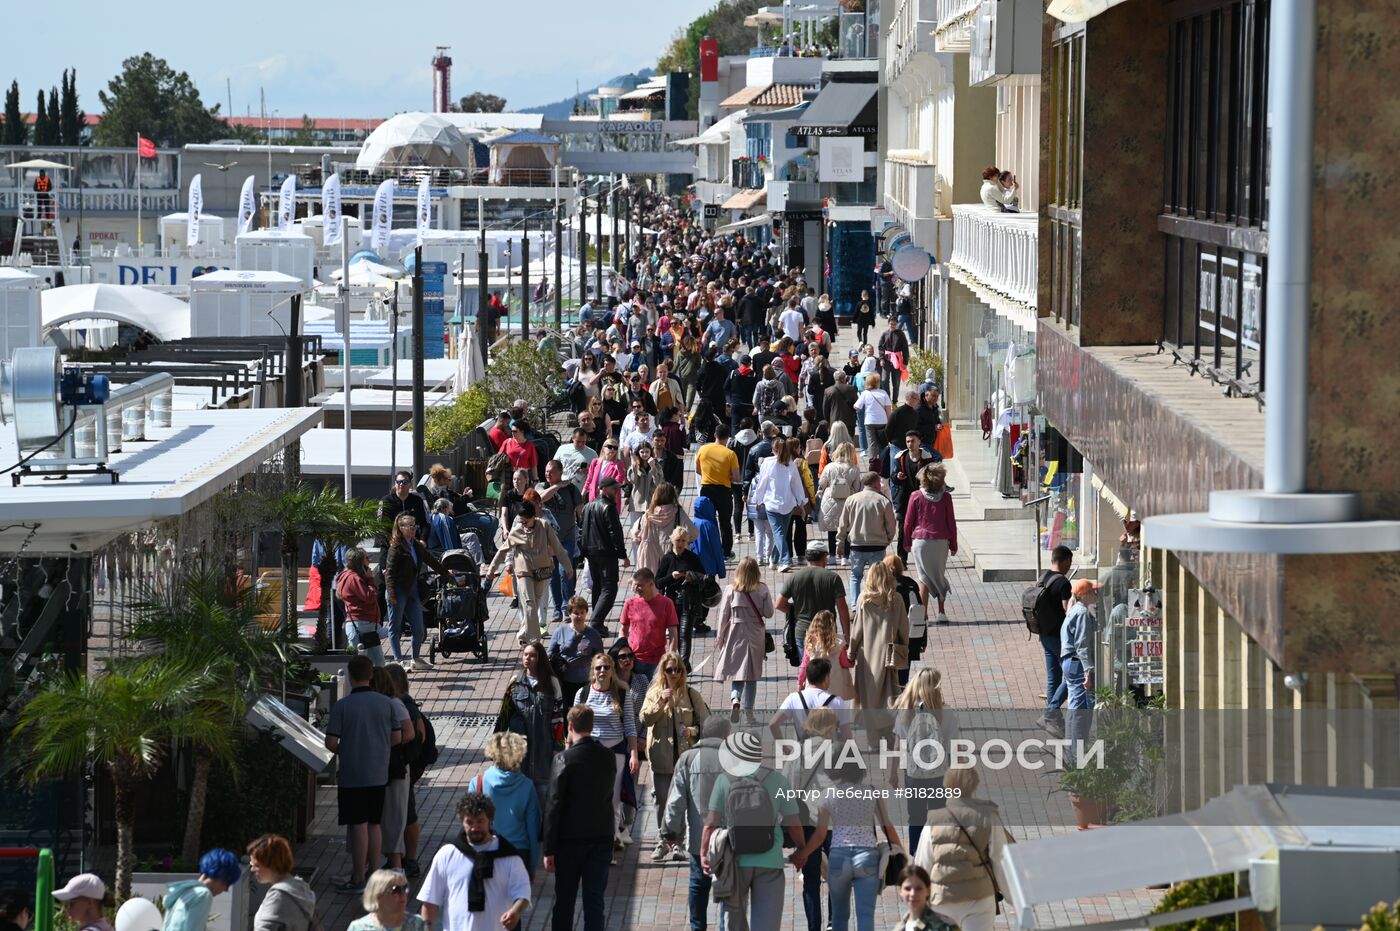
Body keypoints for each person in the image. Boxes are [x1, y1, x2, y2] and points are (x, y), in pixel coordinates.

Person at [701, 733, 806, 931]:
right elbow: (793, 821)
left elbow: (711, 823)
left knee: (733, 924)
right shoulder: (778, 780)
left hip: (734, 862)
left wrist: (704, 853)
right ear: (760, 754)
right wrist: (801, 849)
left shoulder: (724, 780)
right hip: (770, 861)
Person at [792, 758, 904, 931]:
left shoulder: (828, 795)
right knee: (865, 914)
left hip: (838, 857)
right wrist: (901, 851)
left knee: (839, 915)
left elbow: (820, 835)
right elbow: (887, 827)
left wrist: (803, 853)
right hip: (867, 856)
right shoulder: (871, 792)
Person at [324, 655, 403, 892]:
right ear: (371, 675)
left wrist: (345, 749)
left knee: (357, 824)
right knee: (374, 824)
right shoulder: (386, 703)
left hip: (353, 773)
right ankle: (374, 872)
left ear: (350, 676)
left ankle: (358, 877)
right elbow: (397, 737)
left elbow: (330, 742)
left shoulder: (343, 706)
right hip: (379, 772)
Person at [913, 765, 1014, 931]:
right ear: (974, 785)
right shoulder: (988, 816)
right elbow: (1000, 860)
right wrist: (1012, 897)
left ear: (946, 785)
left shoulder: (934, 819)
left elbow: (923, 862)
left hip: (942, 898)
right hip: (979, 897)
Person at [543, 707, 617, 931]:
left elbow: (553, 805)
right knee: (594, 901)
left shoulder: (564, 760)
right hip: (601, 837)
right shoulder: (608, 756)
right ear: (592, 727)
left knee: (564, 900)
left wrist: (548, 848)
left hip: (569, 841)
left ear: (570, 727)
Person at [419, 793, 532, 931]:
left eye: (480, 821)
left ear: (490, 821)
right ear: (462, 821)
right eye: (469, 822)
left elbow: (523, 893)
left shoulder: (509, 857)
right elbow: (430, 901)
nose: (474, 828)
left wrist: (515, 912)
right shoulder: (446, 855)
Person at [661, 716, 733, 931]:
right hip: (731, 838)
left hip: (698, 837)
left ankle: (697, 927)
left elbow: (675, 801)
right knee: (728, 889)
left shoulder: (688, 758)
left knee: (697, 885)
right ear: (726, 736)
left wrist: (671, 831)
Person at [639, 651, 710, 861]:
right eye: (669, 670)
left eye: (677, 669)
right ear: (663, 671)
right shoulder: (654, 692)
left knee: (681, 801)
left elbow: (707, 722)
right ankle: (663, 841)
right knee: (662, 801)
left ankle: (678, 843)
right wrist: (661, 702)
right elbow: (645, 719)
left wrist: (692, 732)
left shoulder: (690, 694)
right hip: (660, 757)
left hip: (684, 757)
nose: (674, 673)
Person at [486, 501, 574, 646]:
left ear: (534, 517)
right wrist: (491, 570)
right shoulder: (517, 531)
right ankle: (534, 642)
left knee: (534, 606)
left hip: (542, 571)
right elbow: (502, 551)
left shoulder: (544, 526)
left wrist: (568, 566)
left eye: (525, 521)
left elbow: (557, 547)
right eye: (520, 521)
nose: (522, 524)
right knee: (529, 604)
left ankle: (523, 633)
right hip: (523, 572)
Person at [574, 653, 639, 847]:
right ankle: (593, 837)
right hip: (590, 751)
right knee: (591, 797)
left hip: (615, 751)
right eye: (598, 668)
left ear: (612, 670)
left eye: (606, 667)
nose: (602, 671)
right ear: (593, 672)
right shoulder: (582, 694)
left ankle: (611, 840)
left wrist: (634, 753)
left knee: (614, 799)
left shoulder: (622, 692)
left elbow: (629, 725)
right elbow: (575, 725)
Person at [384, 513, 459, 669]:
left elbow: (430, 560)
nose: (412, 529)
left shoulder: (416, 545)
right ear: (401, 528)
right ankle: (398, 660)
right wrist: (391, 594)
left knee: (418, 627)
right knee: (395, 626)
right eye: (409, 526)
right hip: (397, 590)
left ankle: (415, 658)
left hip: (412, 589)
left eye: (414, 525)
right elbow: (389, 573)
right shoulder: (396, 547)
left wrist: (446, 573)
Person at [493, 642, 563, 805]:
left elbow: (558, 718)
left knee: (542, 800)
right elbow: (504, 715)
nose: (528, 658)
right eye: (525, 654)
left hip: (543, 751)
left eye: (532, 655)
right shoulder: (515, 682)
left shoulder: (552, 683)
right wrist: (497, 746)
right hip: (519, 753)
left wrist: (558, 747)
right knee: (519, 801)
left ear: (540, 659)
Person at [892, 667, 950, 851]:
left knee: (915, 816)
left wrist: (893, 773)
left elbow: (898, 746)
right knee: (939, 814)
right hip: (939, 773)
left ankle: (916, 855)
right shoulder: (945, 712)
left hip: (913, 773)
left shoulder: (905, 711)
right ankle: (937, 851)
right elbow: (953, 745)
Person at [470, 733, 542, 877]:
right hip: (518, 855)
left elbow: (469, 828)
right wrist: (532, 867)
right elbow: (533, 831)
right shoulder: (527, 786)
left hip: (487, 852)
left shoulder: (478, 783)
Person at [848, 561, 909, 720]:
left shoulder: (864, 598)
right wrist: (904, 647)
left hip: (866, 652)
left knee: (867, 692)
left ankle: (871, 731)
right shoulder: (896, 598)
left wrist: (852, 652)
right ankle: (888, 726)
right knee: (889, 691)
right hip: (888, 653)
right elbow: (903, 628)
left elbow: (857, 630)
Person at [713, 556, 773, 715]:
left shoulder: (730, 589)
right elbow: (769, 613)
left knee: (737, 670)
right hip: (755, 633)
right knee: (752, 674)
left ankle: (735, 698)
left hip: (735, 631)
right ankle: (748, 711)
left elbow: (723, 615)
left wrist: (721, 638)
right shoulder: (762, 589)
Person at [901, 463, 958, 625]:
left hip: (920, 542)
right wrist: (954, 544)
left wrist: (905, 542)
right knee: (939, 576)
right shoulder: (946, 498)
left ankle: (923, 615)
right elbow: (951, 523)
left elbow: (908, 522)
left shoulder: (916, 496)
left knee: (923, 578)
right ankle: (941, 612)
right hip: (941, 542)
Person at [373, 667, 416, 873]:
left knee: (395, 817)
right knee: (388, 816)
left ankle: (398, 866)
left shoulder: (394, 703)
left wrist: (383, 744)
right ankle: (392, 863)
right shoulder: (385, 703)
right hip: (385, 768)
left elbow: (409, 733)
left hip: (395, 767)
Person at [776, 543, 851, 657]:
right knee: (828, 669)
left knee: (808, 670)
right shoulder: (833, 578)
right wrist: (846, 636)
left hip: (803, 632)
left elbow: (779, 604)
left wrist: (796, 611)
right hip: (827, 631)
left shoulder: (795, 577)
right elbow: (842, 609)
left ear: (807, 557)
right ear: (824, 556)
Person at [836, 472, 897, 607]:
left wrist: (840, 543)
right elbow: (891, 525)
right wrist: (887, 539)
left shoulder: (851, 500)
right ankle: (876, 604)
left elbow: (842, 524)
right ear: (875, 483)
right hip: (878, 546)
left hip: (857, 545)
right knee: (878, 577)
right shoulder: (883, 501)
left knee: (855, 576)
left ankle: (855, 606)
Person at [579, 476, 629, 636]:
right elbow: (615, 533)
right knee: (609, 588)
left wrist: (584, 552)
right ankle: (596, 622)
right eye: (614, 489)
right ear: (604, 489)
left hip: (591, 553)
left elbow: (582, 531)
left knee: (598, 587)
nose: (617, 492)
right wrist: (623, 554)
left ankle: (597, 623)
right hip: (605, 553)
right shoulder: (608, 507)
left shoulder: (588, 506)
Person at [1033, 545, 1075, 737]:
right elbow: (1068, 611)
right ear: (1065, 561)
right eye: (1070, 562)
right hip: (1059, 637)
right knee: (1073, 675)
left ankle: (1054, 721)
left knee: (1053, 678)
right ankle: (1051, 713)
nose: (1070, 566)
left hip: (1044, 634)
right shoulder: (1063, 583)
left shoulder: (1043, 577)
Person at [749, 435, 806, 570]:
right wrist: (801, 502)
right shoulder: (790, 463)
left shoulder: (768, 463)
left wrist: (758, 499)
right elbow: (797, 485)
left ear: (773, 450)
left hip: (772, 503)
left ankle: (785, 560)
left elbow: (762, 483)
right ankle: (774, 560)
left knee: (779, 533)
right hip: (788, 503)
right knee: (780, 532)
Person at [538, 460, 584, 624]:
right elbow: (541, 499)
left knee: (566, 572)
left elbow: (581, 512)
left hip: (568, 538)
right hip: (548, 541)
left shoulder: (572, 490)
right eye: (546, 471)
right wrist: (558, 486)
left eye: (551, 471)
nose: (547, 474)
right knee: (553, 575)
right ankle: (557, 608)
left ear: (560, 472)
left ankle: (567, 607)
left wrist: (584, 532)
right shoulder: (541, 487)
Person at [658, 526, 709, 667]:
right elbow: (658, 581)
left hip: (689, 600)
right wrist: (671, 577)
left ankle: (684, 664)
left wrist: (691, 576)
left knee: (685, 634)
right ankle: (680, 663)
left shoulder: (693, 558)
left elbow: (704, 577)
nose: (680, 544)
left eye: (683, 541)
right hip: (671, 601)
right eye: (677, 540)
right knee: (675, 635)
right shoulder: (667, 559)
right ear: (672, 541)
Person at [619, 567, 680, 678]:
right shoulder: (630, 603)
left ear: (651, 584)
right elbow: (623, 630)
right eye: (635, 585)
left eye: (640, 585)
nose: (636, 588)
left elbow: (673, 633)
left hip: (657, 662)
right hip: (634, 660)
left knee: (655, 694)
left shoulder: (666, 603)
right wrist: (622, 652)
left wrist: (671, 657)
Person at [247, 835, 316, 931]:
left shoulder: (279, 896)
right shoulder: (301, 889)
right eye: (251, 865)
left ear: (272, 864)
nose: (252, 869)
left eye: (256, 865)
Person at [1061, 578, 1099, 752]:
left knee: (1074, 706)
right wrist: (1087, 672)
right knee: (1079, 710)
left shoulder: (1074, 610)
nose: (1096, 594)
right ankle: (1076, 754)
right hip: (1077, 663)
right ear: (1084, 595)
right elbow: (1082, 644)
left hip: (1070, 662)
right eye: (1092, 591)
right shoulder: (1082, 612)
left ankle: (1073, 751)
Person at [547, 596, 605, 706]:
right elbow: (550, 654)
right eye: (576, 613)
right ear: (569, 613)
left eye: (582, 612)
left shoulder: (594, 635)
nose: (579, 616)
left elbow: (601, 659)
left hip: (585, 682)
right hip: (564, 682)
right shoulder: (560, 631)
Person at [696, 423, 741, 558]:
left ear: (715, 435)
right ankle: (726, 552)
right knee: (725, 523)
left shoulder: (703, 449)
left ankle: (708, 548)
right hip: (723, 490)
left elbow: (698, 470)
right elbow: (736, 476)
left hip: (706, 489)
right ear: (728, 437)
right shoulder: (730, 454)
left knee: (707, 520)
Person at [338, 547, 385, 666]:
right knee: (372, 665)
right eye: (366, 558)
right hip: (362, 625)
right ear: (359, 562)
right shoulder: (353, 578)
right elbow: (370, 597)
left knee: (373, 664)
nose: (369, 561)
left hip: (364, 625)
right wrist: (370, 579)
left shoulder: (347, 575)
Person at [819, 442, 862, 563]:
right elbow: (858, 487)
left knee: (832, 530)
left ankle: (832, 556)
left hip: (830, 500)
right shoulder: (854, 468)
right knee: (847, 530)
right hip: (848, 501)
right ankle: (845, 557)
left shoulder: (829, 467)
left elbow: (822, 483)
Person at [799, 609, 855, 700]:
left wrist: (800, 682)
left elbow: (804, 665)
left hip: (815, 682)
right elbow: (844, 663)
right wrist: (852, 661)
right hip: (835, 683)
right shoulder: (838, 642)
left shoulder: (810, 643)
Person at [347, 870, 424, 931]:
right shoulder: (359, 928)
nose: (403, 894)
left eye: (405, 888)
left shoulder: (417, 923)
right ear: (377, 895)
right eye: (395, 890)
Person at [891, 864, 957, 931]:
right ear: (900, 891)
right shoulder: (900, 927)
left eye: (918, 888)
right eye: (907, 889)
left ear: (928, 890)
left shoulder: (945, 926)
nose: (913, 894)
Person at [378, 471, 429, 539]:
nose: (401, 484)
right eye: (398, 482)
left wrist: (423, 540)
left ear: (410, 484)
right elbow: (381, 525)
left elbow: (425, 523)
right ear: (395, 484)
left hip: (413, 543)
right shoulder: (385, 501)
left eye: (405, 482)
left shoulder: (418, 500)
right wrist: (391, 542)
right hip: (391, 543)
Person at [854, 373, 891, 461]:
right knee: (882, 443)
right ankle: (883, 462)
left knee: (872, 444)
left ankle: (874, 463)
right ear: (878, 382)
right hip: (882, 421)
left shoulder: (865, 393)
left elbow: (856, 406)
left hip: (869, 421)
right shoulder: (883, 393)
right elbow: (888, 409)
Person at [553, 428, 598, 493]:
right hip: (562, 487)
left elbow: (597, 473)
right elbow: (554, 466)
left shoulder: (592, 453)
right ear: (572, 438)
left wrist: (589, 472)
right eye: (578, 441)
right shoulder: (562, 449)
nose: (580, 444)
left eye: (583, 442)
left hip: (581, 491)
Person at [583, 438, 626, 504]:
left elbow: (619, 481)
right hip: (594, 496)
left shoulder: (618, 463)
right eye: (610, 447)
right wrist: (583, 493)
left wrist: (619, 468)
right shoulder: (595, 462)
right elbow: (589, 479)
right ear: (603, 448)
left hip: (609, 498)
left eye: (615, 448)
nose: (612, 449)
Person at [877, 318, 910, 400]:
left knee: (896, 383)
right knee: (884, 380)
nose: (892, 326)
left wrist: (905, 362)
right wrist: (881, 359)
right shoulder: (885, 334)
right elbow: (881, 347)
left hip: (897, 361)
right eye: (891, 324)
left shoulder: (901, 334)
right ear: (888, 324)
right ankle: (887, 399)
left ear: (897, 324)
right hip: (886, 360)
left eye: (894, 324)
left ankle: (895, 401)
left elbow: (905, 348)